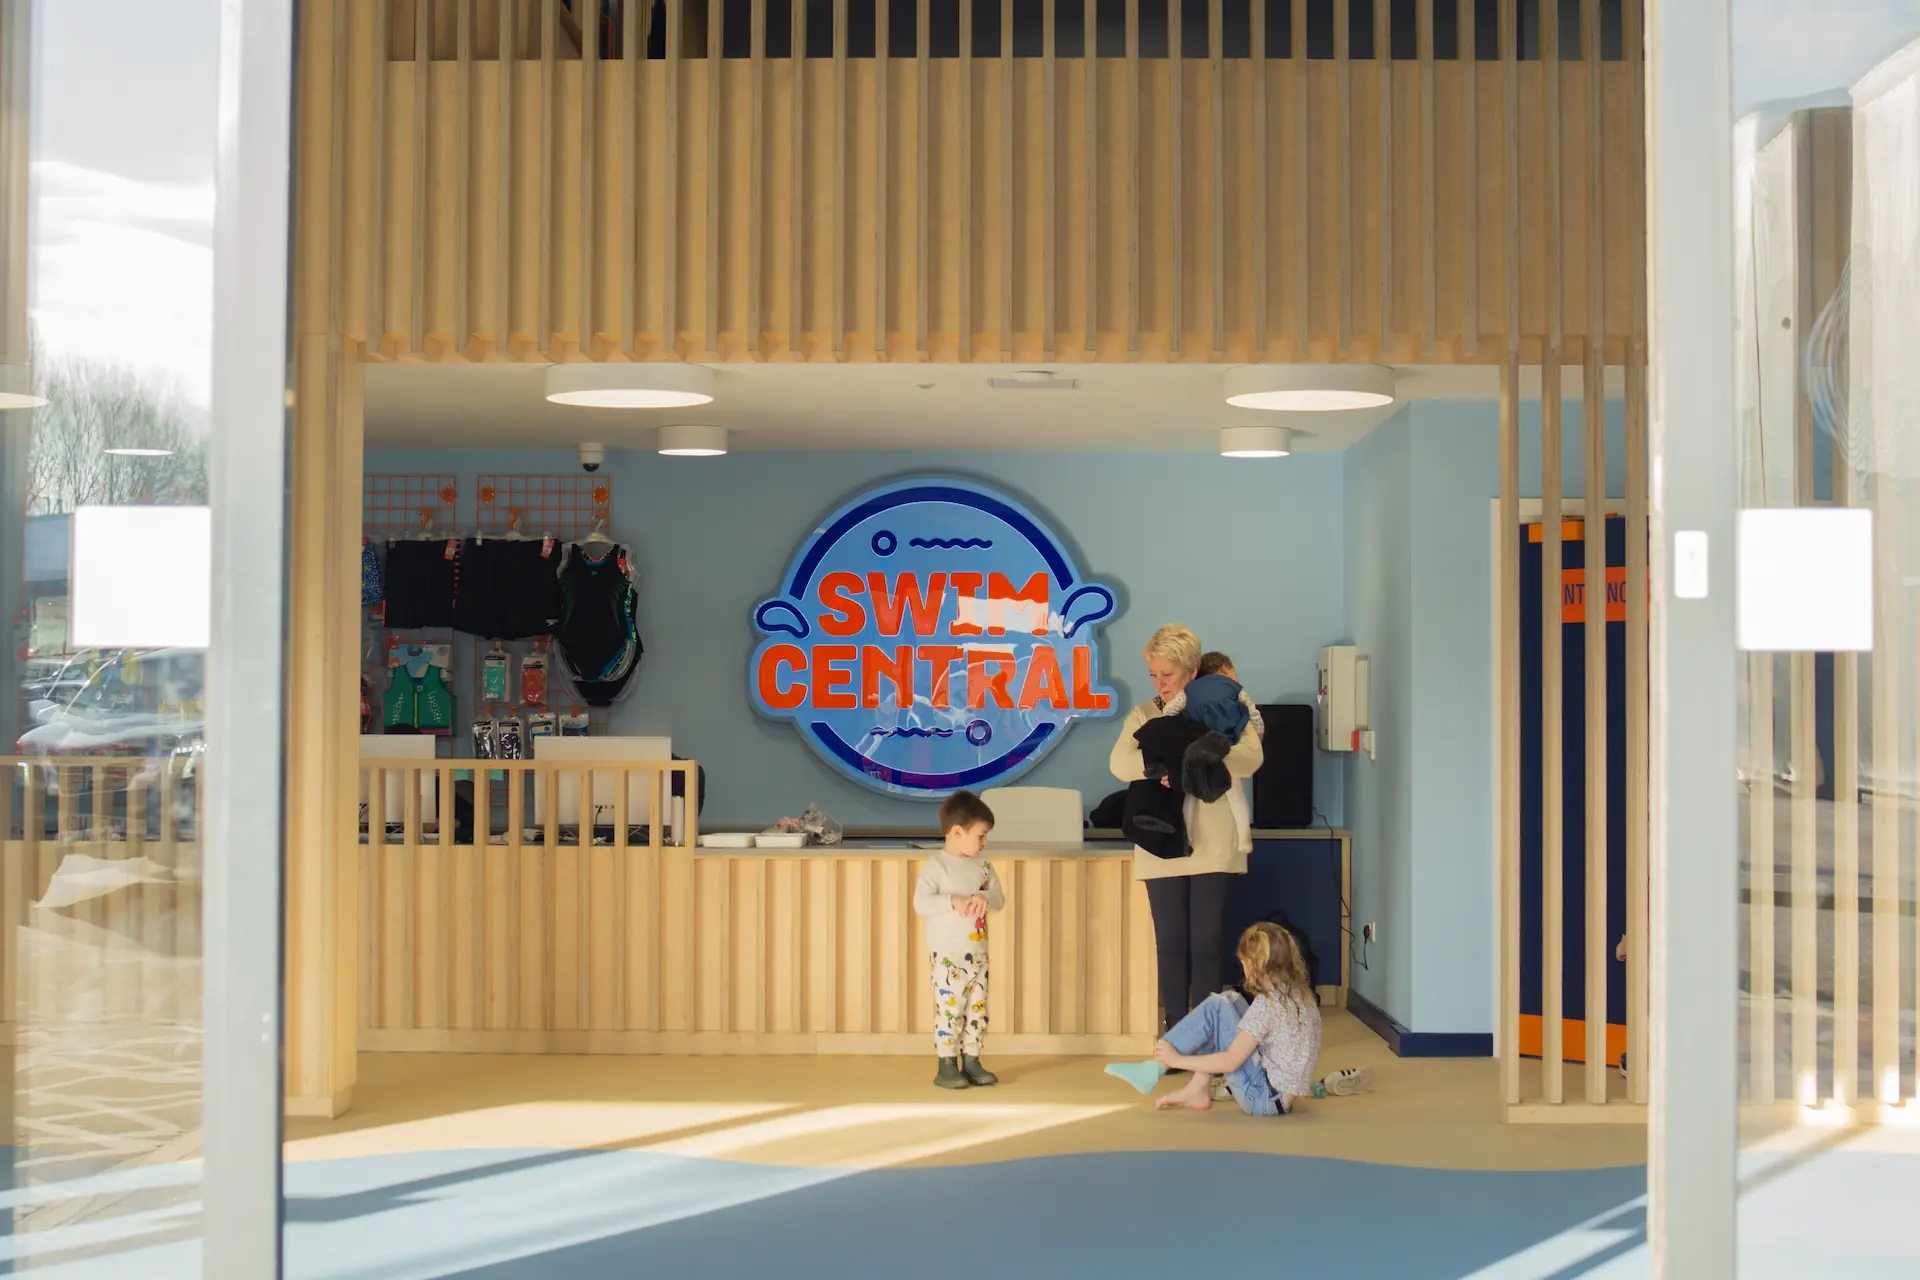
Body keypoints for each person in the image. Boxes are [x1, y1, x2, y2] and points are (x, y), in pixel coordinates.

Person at [1110, 625, 1264, 1030]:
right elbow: (1118, 764)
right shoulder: (1143, 714)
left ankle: (1209, 1030)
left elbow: (1251, 758)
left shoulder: (1226, 709)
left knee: (1207, 943)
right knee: (1172, 944)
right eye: (1154, 675)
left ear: (1193, 672)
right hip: (1160, 844)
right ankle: (1177, 1033)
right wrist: (1157, 767)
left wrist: (1201, 761)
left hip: (1215, 843)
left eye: (1169, 675)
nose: (1161, 684)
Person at [1104, 922, 1373, 1114]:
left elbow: (1231, 1060)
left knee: (1217, 1008)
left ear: (1255, 966)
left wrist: (1178, 1060)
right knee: (1228, 1002)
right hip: (1279, 1095)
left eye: (1245, 962)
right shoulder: (1300, 996)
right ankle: (1196, 1087)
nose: (1242, 968)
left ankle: (1156, 1066)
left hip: (1263, 1099)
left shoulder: (1267, 1005)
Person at [912, 790, 1006, 1089]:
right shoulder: (936, 866)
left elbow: (999, 897)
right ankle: (947, 1064)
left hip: (978, 953)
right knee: (950, 1009)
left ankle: (973, 1060)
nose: (985, 842)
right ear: (957, 832)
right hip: (948, 955)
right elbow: (920, 902)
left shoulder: (983, 866)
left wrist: (984, 897)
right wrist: (950, 900)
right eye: (981, 835)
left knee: (977, 1009)